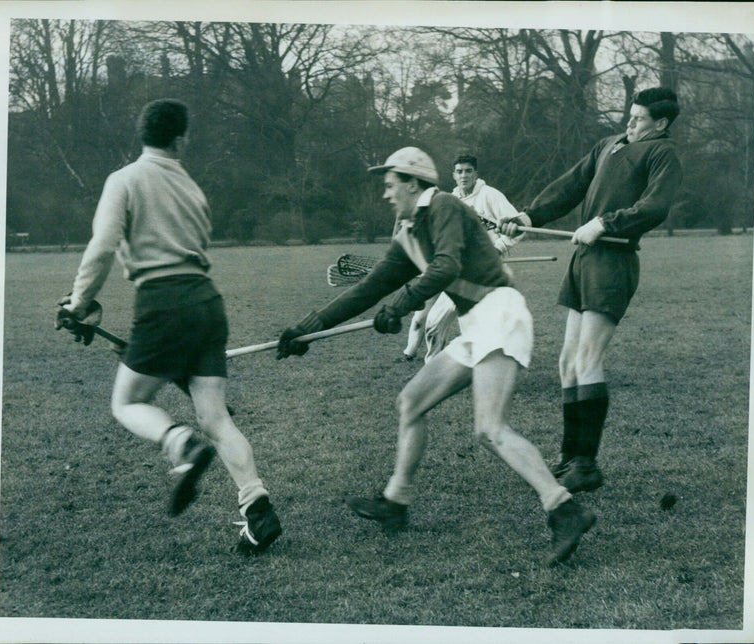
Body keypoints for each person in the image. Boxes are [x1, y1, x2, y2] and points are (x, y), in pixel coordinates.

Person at [277, 146, 595, 566]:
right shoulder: (408, 235)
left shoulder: (442, 205)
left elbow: (445, 266)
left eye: (392, 185)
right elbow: (367, 289)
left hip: (499, 313)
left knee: (489, 428)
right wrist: (308, 329)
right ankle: (396, 499)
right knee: (411, 401)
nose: (387, 194)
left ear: (413, 183)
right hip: (475, 326)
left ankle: (564, 508)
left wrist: (401, 303)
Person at [56, 99, 281, 554]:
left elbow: (103, 246)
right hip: (207, 303)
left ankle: (180, 444)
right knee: (216, 417)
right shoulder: (193, 188)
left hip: (163, 301)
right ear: (181, 138)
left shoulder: (124, 179)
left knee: (127, 402)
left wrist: (78, 302)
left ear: (143, 135)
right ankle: (257, 508)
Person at [500, 87, 682, 494]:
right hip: (584, 260)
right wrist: (529, 214)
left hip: (613, 259)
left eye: (638, 119)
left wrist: (606, 223)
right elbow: (569, 187)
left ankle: (587, 463)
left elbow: (656, 206)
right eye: (629, 116)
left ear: (661, 124)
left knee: (588, 359)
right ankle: (570, 459)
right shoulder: (609, 145)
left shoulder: (662, 153)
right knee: (567, 362)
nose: (629, 124)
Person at [403, 153, 523, 362]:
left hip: (484, 272)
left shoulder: (490, 195)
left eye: (468, 171)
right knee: (434, 322)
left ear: (476, 173)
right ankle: (433, 366)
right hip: (457, 270)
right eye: (459, 171)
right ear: (453, 175)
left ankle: (486, 363)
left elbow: (518, 227)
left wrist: (499, 247)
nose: (464, 175)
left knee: (471, 323)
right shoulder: (451, 200)